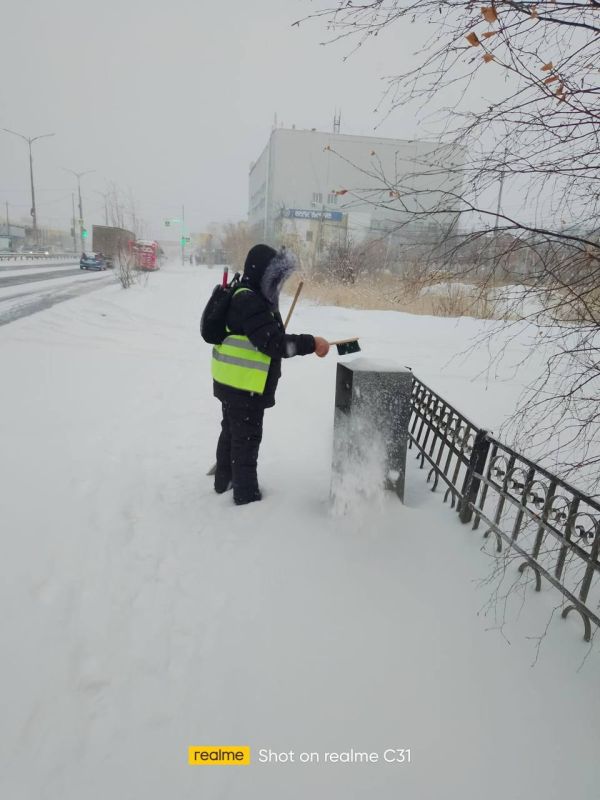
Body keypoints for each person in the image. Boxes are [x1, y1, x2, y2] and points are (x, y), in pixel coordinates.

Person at [212, 244, 329, 505]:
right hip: (244, 388)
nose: (278, 285)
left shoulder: (244, 293)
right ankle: (246, 497)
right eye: (275, 279)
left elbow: (262, 336)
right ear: (263, 274)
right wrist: (312, 343)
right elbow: (274, 344)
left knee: (231, 433)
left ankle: (224, 481)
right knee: (246, 442)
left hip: (231, 384)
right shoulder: (249, 300)